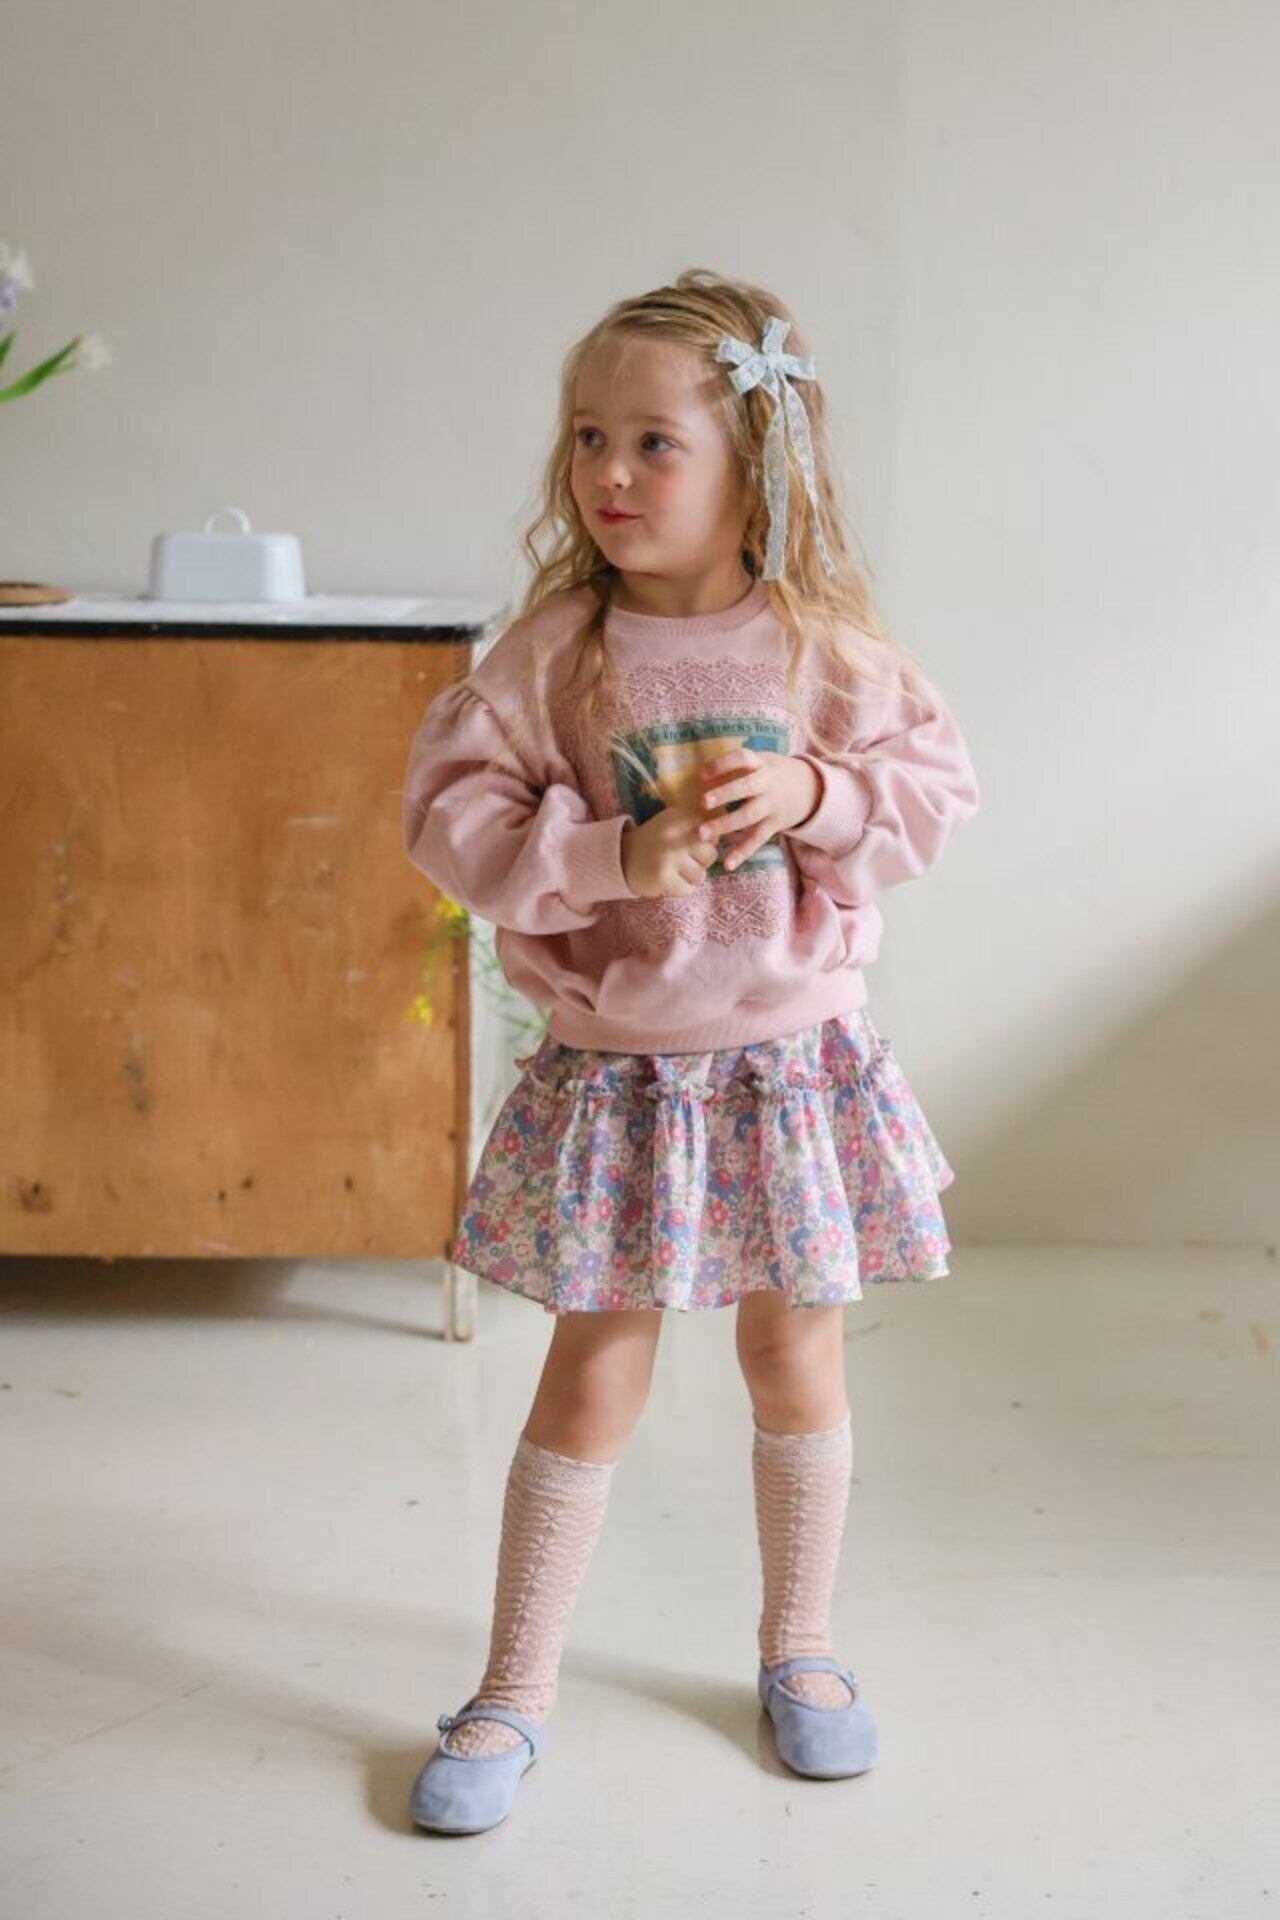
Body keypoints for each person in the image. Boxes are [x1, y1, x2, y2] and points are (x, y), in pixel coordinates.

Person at [399, 267, 981, 1832]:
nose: (609, 472)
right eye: (589, 436)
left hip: (791, 1070)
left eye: (654, 442)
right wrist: (610, 858)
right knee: (594, 1374)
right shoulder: (555, 654)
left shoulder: (817, 649)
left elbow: (934, 788)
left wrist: (819, 797)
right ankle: (514, 1687)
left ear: (753, 462)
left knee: (795, 1359)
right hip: (623, 1078)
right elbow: (450, 819)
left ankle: (802, 1649)